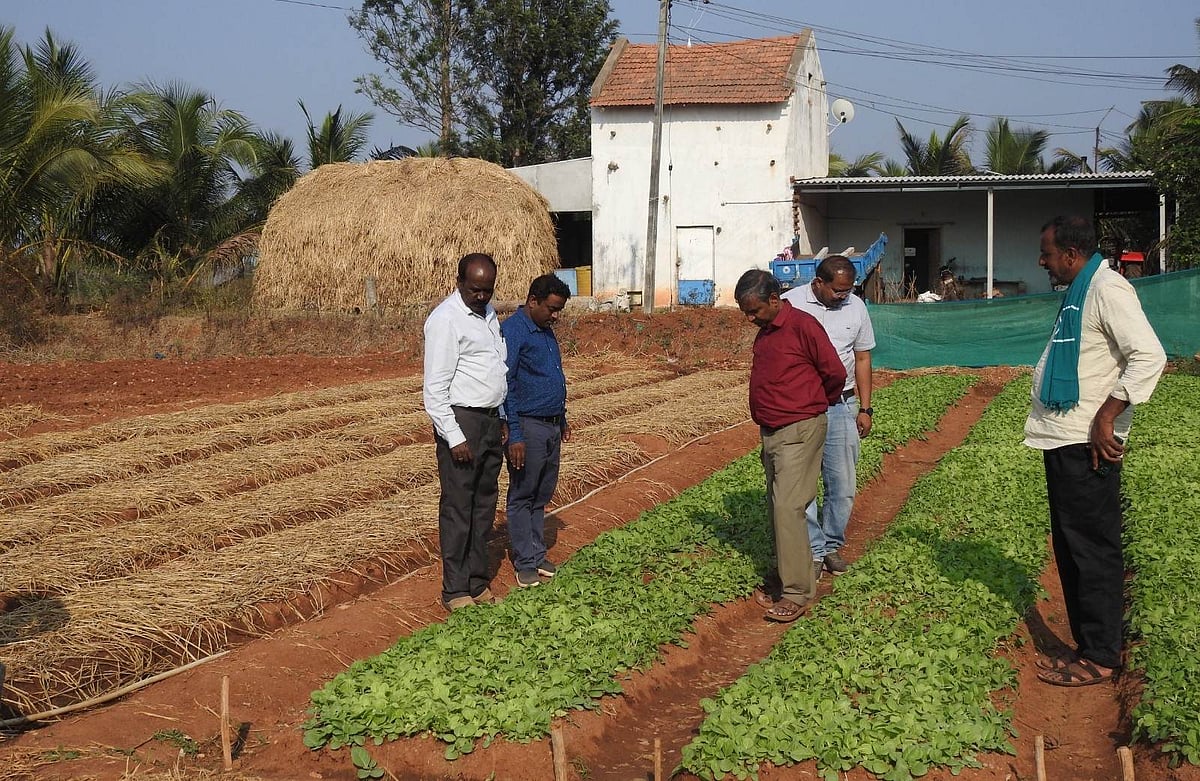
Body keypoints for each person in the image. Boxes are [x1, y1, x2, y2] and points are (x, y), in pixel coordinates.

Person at [1024, 216, 1165, 687]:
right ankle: (1089, 644)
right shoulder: (1082, 291)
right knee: (1072, 545)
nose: (1041, 261)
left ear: (1071, 255)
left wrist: (1107, 415)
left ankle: (1102, 655)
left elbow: (1149, 355)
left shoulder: (1107, 289)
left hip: (1088, 441)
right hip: (1065, 437)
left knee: (1091, 548)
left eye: (1047, 254)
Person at [736, 269, 846, 622]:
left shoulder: (803, 326)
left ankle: (796, 592)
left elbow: (834, 373)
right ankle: (786, 575)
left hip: (799, 428)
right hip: (772, 431)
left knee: (788, 507)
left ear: (774, 300)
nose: (750, 319)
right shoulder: (767, 331)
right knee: (777, 506)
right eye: (745, 313)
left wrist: (810, 404)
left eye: (754, 311)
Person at [423, 253, 509, 612]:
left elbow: (494, 367)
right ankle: (455, 589)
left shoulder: (488, 314)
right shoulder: (445, 320)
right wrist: (454, 436)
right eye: (475, 290)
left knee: (484, 505)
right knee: (459, 508)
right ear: (459, 282)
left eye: (488, 290)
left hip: (489, 420)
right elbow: (434, 389)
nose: (482, 296)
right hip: (463, 422)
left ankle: (477, 581)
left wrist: (500, 415)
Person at [782, 256, 875, 579]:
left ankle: (831, 543)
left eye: (848, 290)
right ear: (818, 282)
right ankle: (814, 549)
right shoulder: (790, 304)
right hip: (802, 406)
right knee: (803, 481)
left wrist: (865, 408)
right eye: (838, 290)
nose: (843, 296)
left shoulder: (856, 307)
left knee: (842, 483)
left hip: (841, 403)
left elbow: (862, 358)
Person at [502, 274, 572, 588]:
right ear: (533, 301)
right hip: (528, 425)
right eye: (552, 309)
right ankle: (525, 562)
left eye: (559, 310)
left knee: (541, 493)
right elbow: (507, 384)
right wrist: (515, 434)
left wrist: (562, 418)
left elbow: (551, 375)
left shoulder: (544, 329)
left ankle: (537, 552)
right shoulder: (514, 331)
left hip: (550, 424)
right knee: (523, 494)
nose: (555, 316)